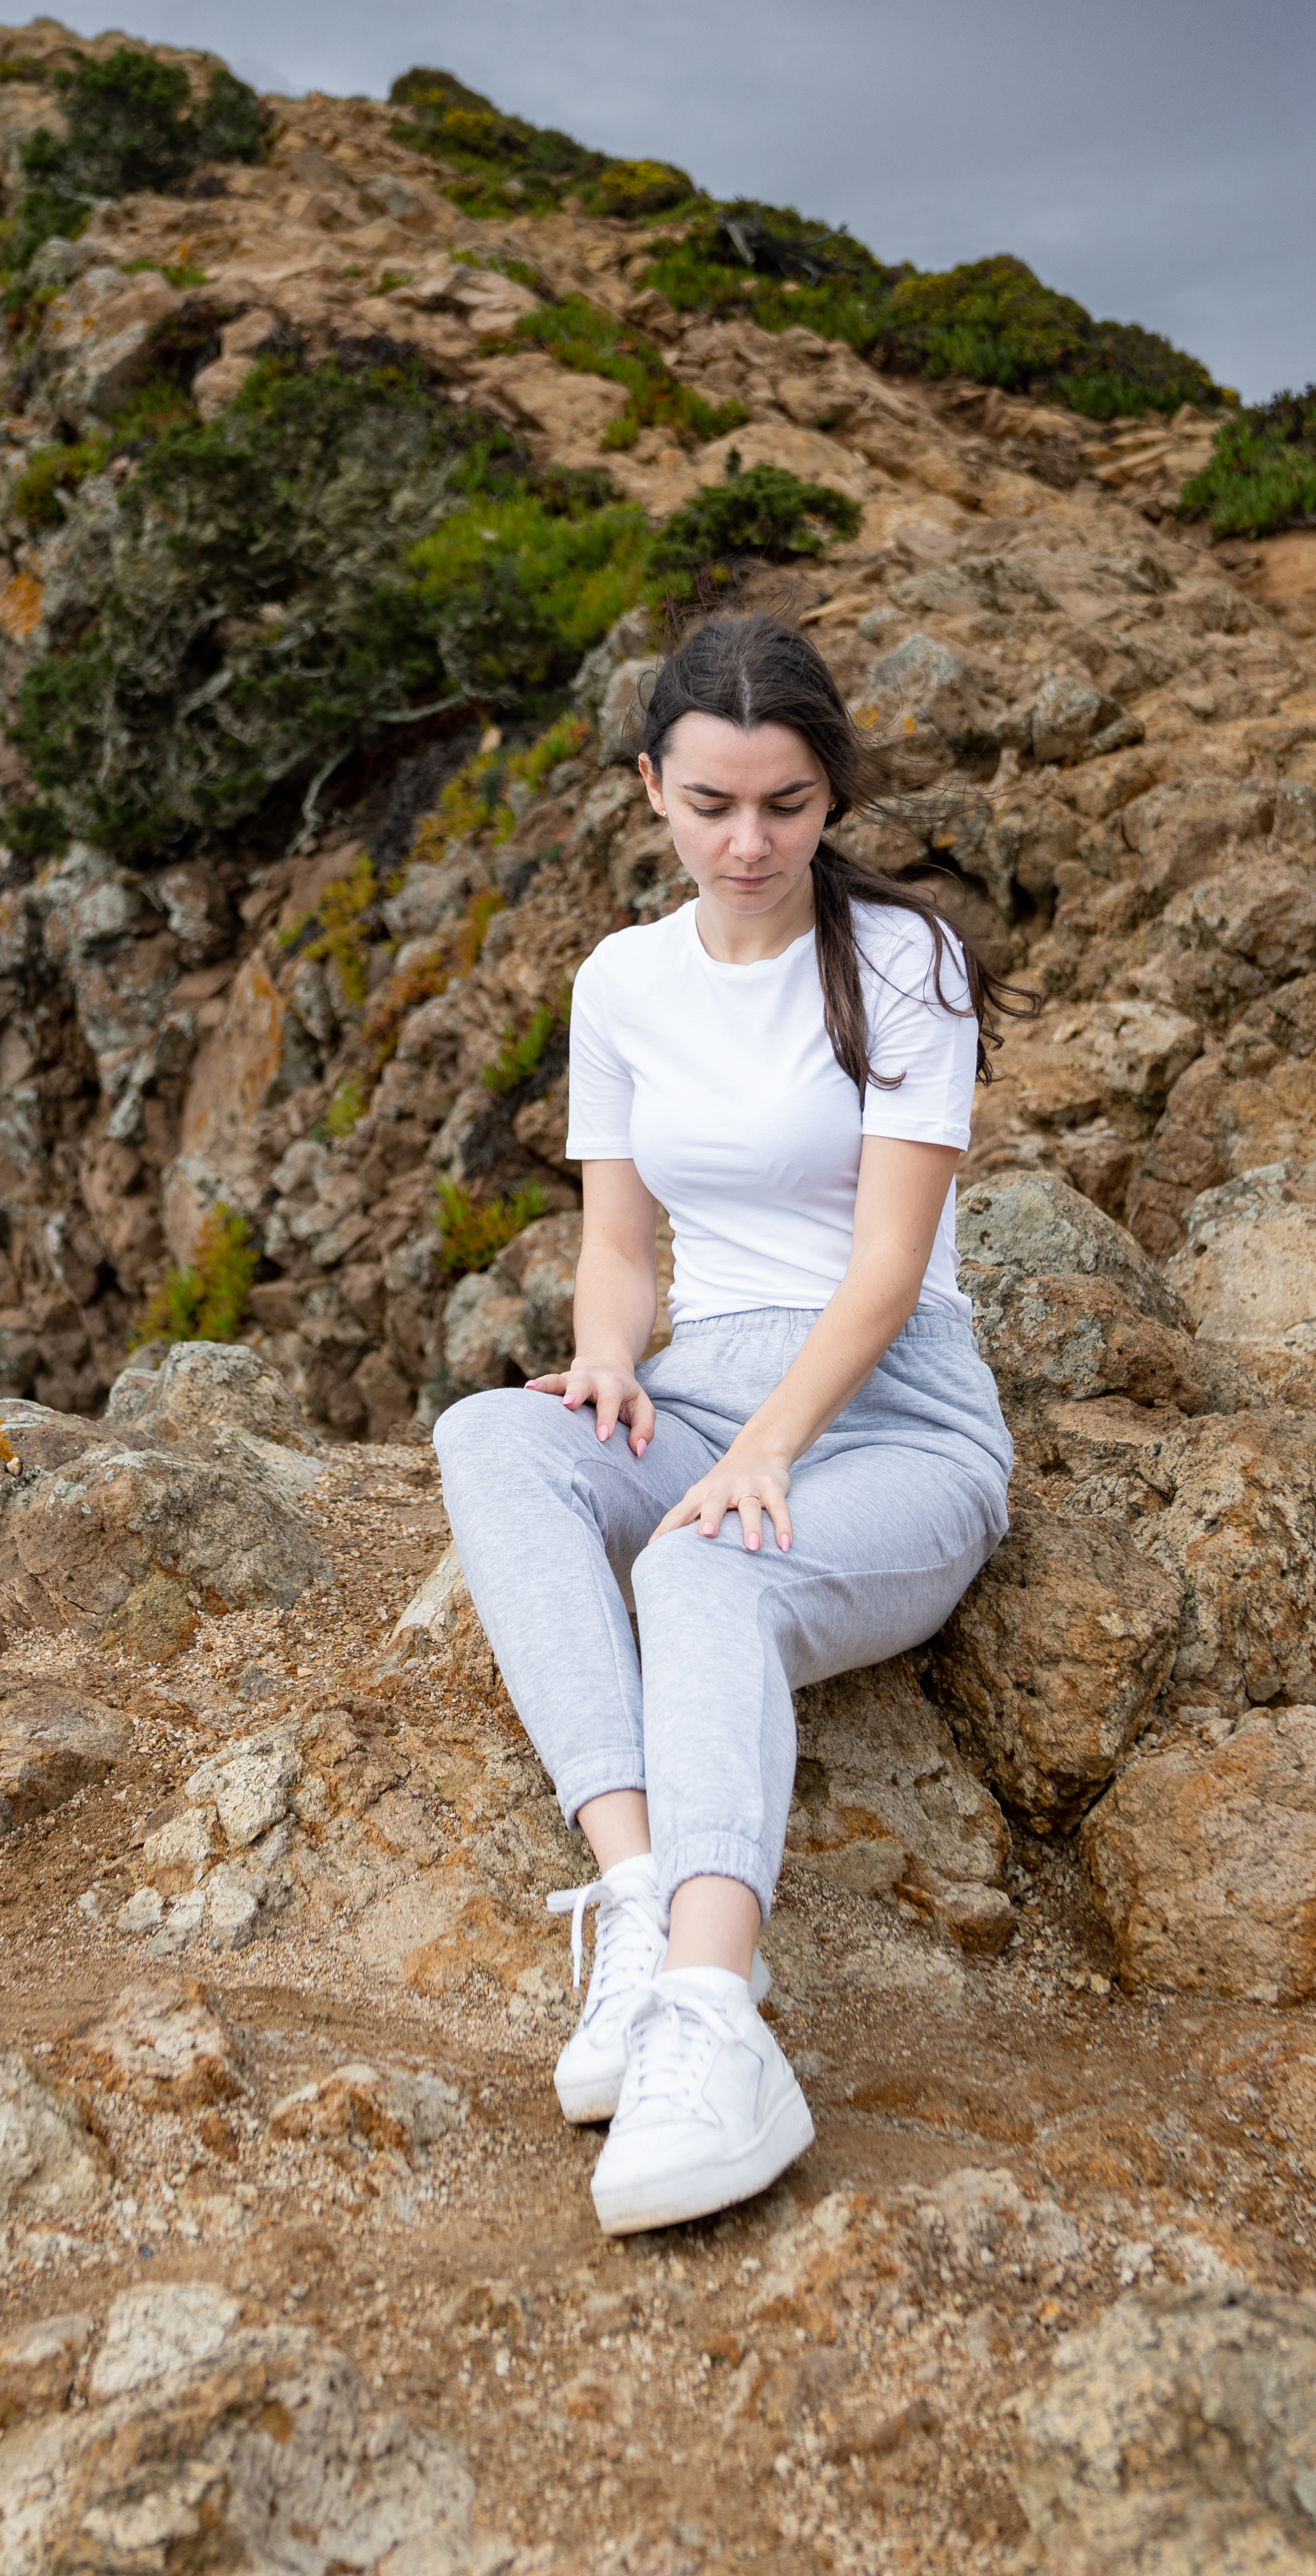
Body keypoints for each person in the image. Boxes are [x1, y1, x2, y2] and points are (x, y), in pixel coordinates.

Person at [429, 611, 1025, 2235]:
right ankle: (630, 1902)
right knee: (494, 1438)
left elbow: (892, 1264)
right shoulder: (618, 980)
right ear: (649, 790)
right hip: (699, 1390)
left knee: (698, 1572)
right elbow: (619, 1248)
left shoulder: (904, 960)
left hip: (890, 1419)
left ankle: (712, 2017)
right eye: (709, 806)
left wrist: (767, 1450)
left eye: (784, 804)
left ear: (829, 795)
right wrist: (611, 1361)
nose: (747, 842)